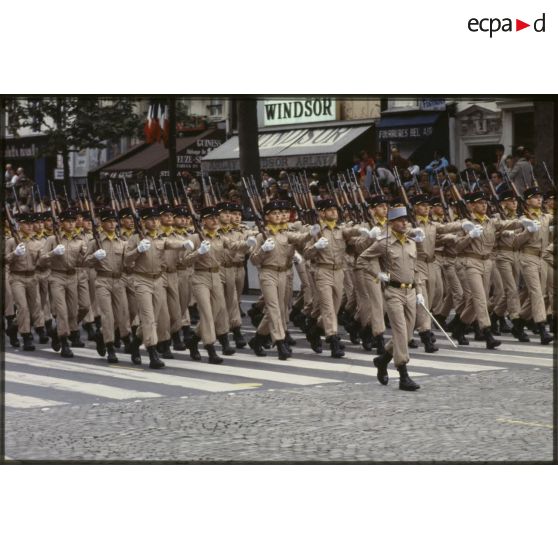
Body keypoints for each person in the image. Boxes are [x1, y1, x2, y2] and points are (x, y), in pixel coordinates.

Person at [357, 206, 424, 391]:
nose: (404, 223)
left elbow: (415, 268)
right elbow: (361, 259)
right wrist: (378, 274)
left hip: (410, 292)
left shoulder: (411, 243)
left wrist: (419, 291)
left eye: (406, 220)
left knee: (407, 335)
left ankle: (382, 360)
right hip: (393, 292)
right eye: (400, 220)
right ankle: (403, 375)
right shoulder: (383, 243)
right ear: (391, 223)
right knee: (400, 332)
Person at [84, 208, 131, 364]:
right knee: (107, 315)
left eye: (113, 221)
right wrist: (94, 257)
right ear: (102, 224)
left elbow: (128, 263)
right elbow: (84, 262)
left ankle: (101, 335)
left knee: (122, 314)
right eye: (108, 221)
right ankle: (110, 346)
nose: (112, 224)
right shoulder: (94, 242)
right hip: (102, 281)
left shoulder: (123, 242)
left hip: (119, 280)